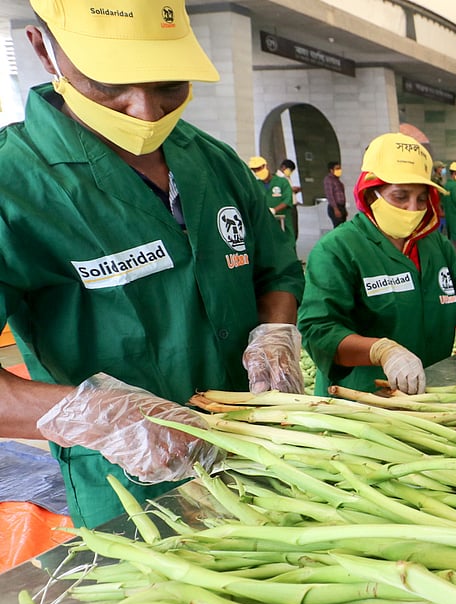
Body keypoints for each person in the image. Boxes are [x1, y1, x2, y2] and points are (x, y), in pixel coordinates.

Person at [0, 0, 305, 528]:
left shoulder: (215, 162)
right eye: (109, 82)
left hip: (258, 454)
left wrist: (274, 335)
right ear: (43, 50)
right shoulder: (14, 186)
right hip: (129, 488)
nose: (145, 111)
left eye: (169, 85)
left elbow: (274, 271)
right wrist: (101, 416)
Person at [298, 133, 456, 397]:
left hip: (426, 393)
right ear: (372, 194)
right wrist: (381, 351)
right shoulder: (338, 250)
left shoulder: (433, 245)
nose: (412, 208)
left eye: (421, 198)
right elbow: (320, 330)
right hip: (361, 402)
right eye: (400, 196)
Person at [248, 155, 295, 239]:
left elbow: (287, 200)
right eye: (254, 170)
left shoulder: (282, 182)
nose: (257, 171)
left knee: (285, 245)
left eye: (259, 168)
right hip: (264, 223)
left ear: (265, 166)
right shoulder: (255, 185)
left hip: (282, 222)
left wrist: (274, 210)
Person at [278, 159, 302, 241]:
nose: (290, 172)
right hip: (287, 207)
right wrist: (291, 189)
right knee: (291, 231)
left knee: (295, 230)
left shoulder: (287, 177)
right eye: (290, 170)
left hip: (293, 205)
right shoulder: (278, 178)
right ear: (284, 167)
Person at [324, 161, 347, 228]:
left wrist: (344, 209)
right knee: (338, 228)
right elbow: (330, 195)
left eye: (339, 168)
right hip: (335, 207)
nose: (339, 170)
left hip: (341, 207)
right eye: (337, 169)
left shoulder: (337, 180)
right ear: (331, 170)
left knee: (343, 227)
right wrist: (335, 209)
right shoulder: (329, 180)